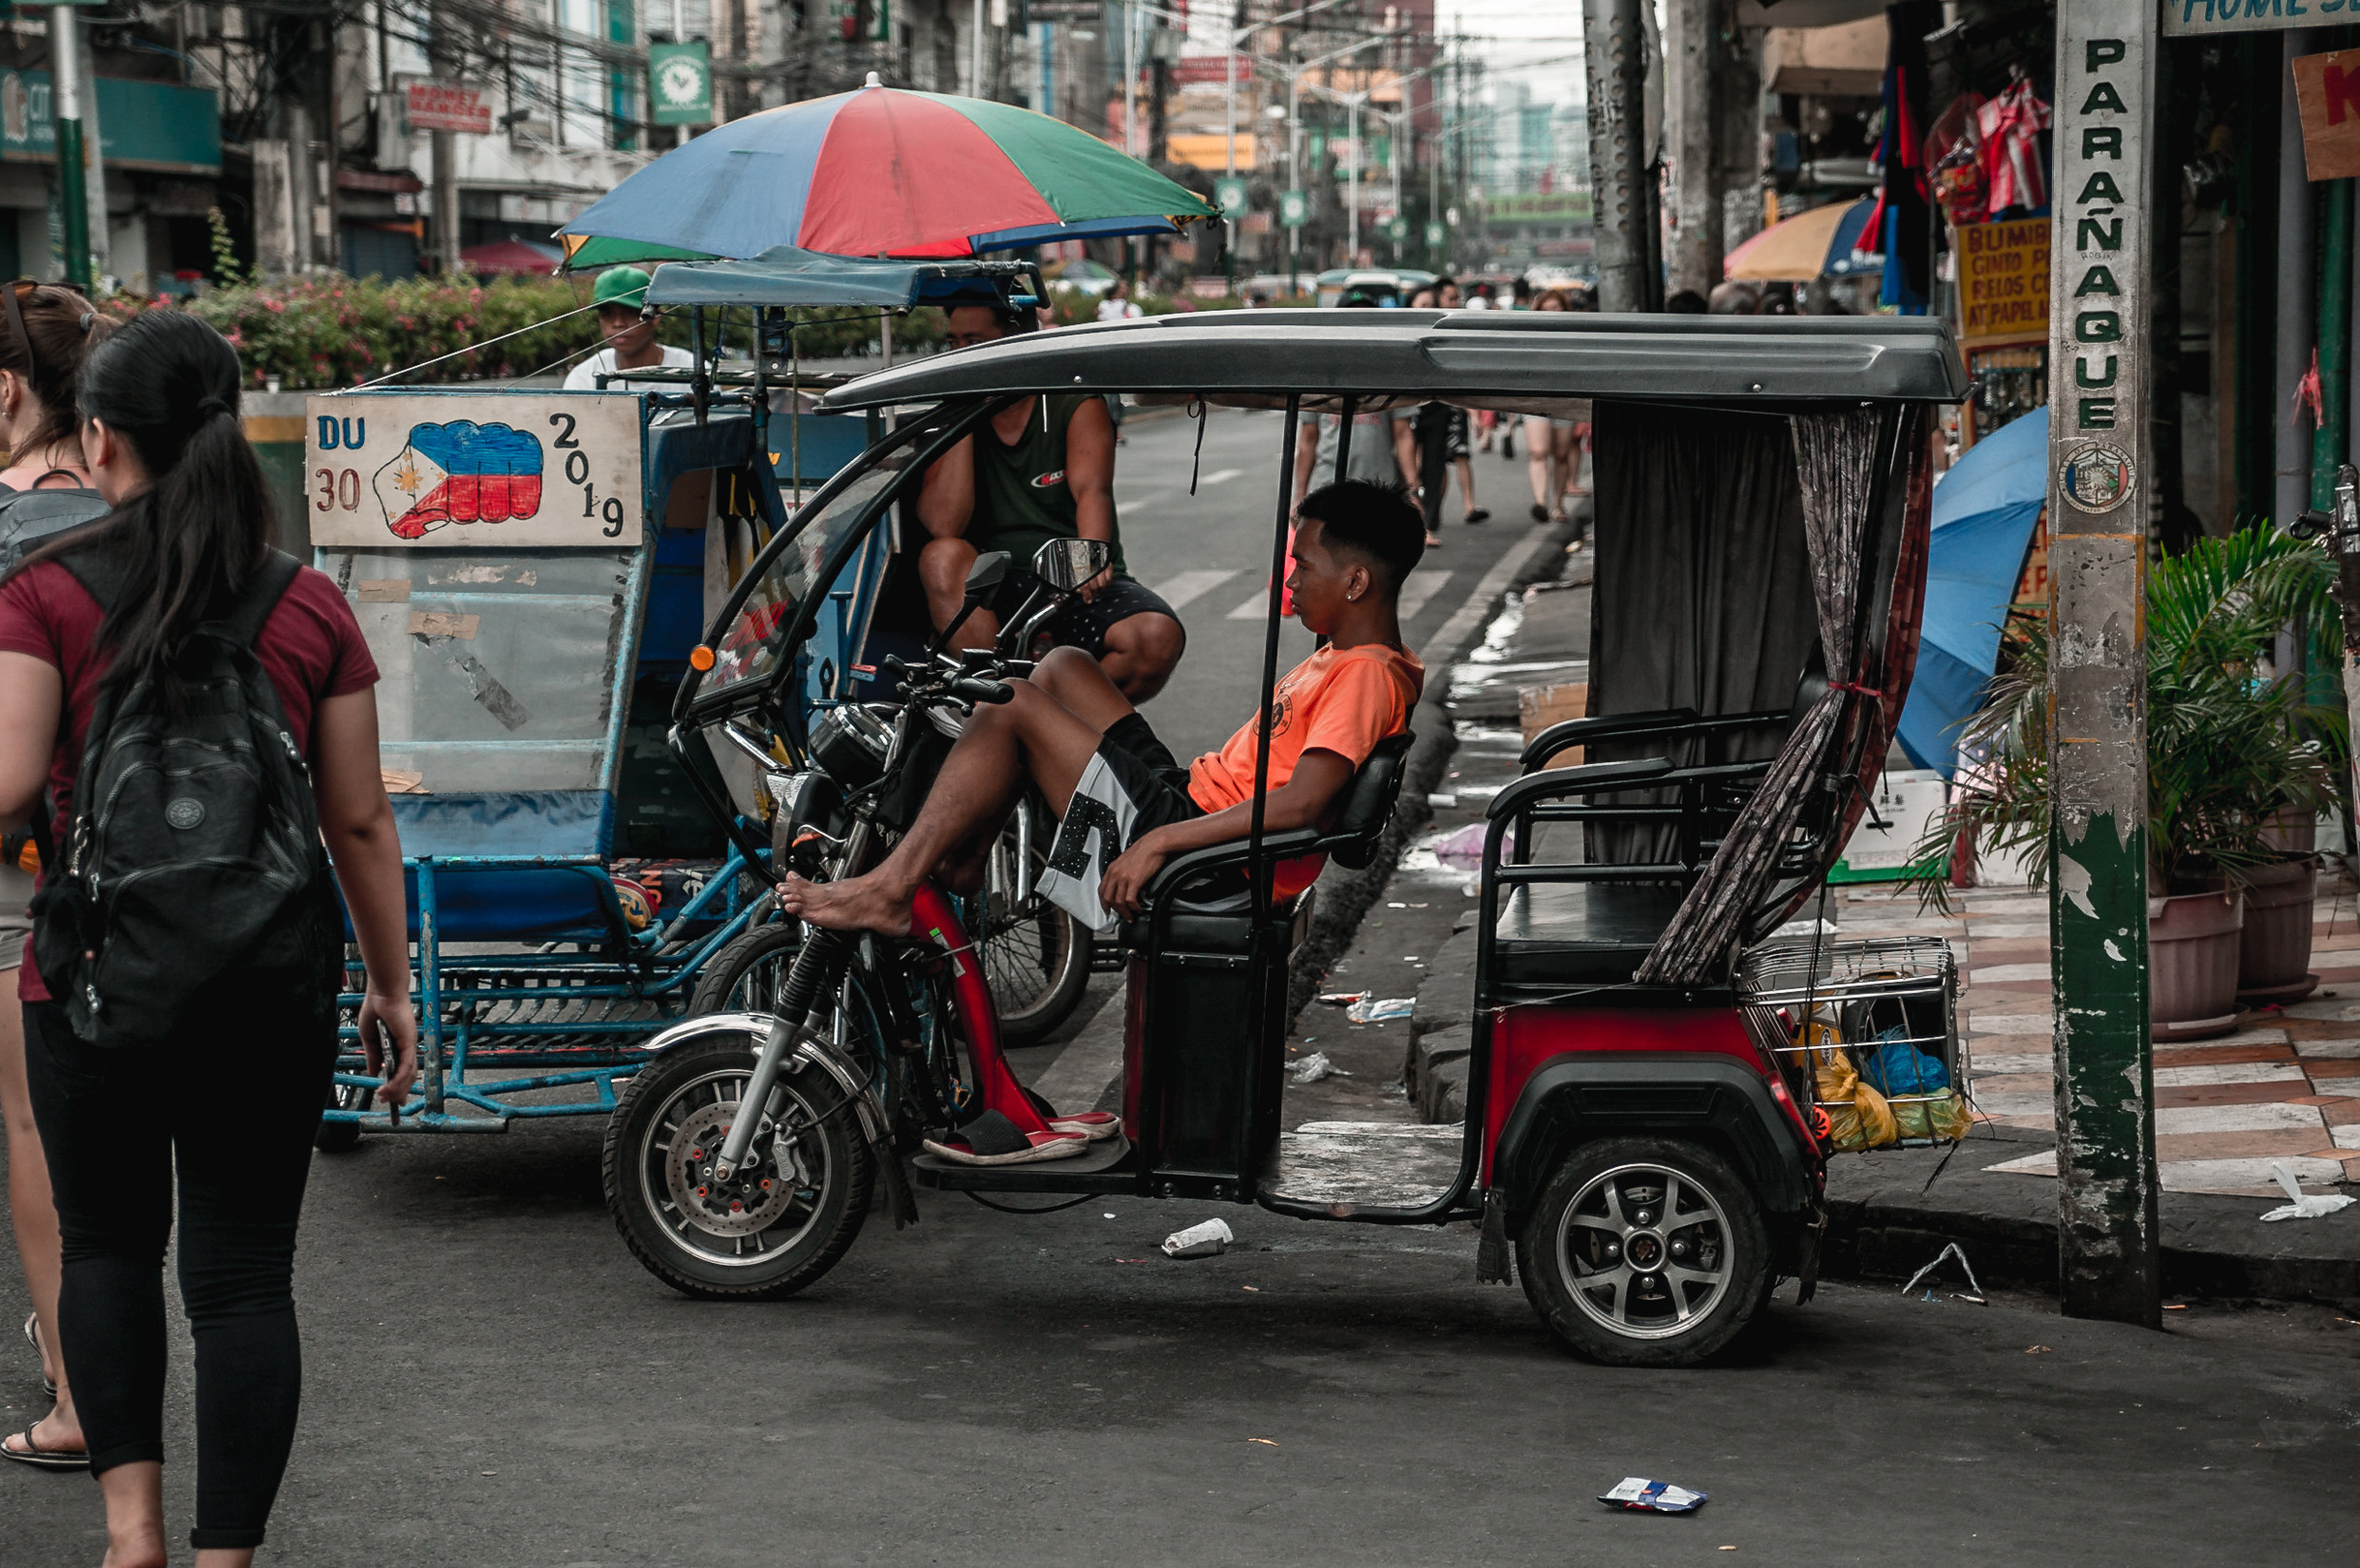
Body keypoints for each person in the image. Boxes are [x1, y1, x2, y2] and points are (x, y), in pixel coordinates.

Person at [0, 310, 419, 1564]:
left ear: (99, 439)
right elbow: (358, 817)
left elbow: (8, 783)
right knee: (241, 1280)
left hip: (90, 985)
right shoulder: (306, 602)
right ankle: (224, 1556)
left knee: (108, 1248)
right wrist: (391, 986)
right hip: (268, 987)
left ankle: (130, 1531)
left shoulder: (44, 591)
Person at [777, 481, 1426, 1161]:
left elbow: (1303, 805)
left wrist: (1160, 842)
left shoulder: (1366, 674)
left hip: (1213, 859)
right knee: (1062, 666)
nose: (1289, 581)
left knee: (1009, 705)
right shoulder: (1340, 656)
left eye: (1303, 566)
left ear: (1356, 582)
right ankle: (960, 861)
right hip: (1192, 799)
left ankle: (893, 887)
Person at [0, 281, 113, 1477]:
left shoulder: (2, 536)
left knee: (37, 1122)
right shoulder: (151, 517)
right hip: (148, 858)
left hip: (21, 874)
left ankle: (82, 1390)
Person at [917, 296, 1185, 701]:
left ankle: (1051, 716)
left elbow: (1091, 490)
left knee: (1155, 638)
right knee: (939, 555)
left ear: (1016, 341)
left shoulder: (1071, 403)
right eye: (953, 343)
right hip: (991, 581)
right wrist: (966, 412)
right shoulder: (952, 411)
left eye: (974, 342)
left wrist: (1087, 558)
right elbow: (944, 524)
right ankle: (998, 703)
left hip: (1065, 576)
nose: (961, 353)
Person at [562, 266, 694, 392]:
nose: (618, 323)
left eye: (630, 312)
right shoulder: (583, 377)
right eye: (607, 314)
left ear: (655, 317)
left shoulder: (693, 370)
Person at [1522, 288, 1581, 522]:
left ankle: (1557, 503)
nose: (1551, 313)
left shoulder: (1574, 337)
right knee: (1538, 451)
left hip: (1565, 399)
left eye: (1556, 308)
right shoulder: (1529, 337)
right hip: (1535, 398)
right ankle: (1541, 502)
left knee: (1561, 453)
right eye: (1546, 309)